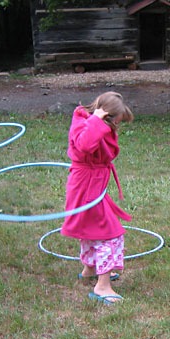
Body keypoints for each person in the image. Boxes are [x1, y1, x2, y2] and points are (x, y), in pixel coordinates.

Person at [61, 91, 134, 305]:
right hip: (85, 188)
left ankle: (90, 269)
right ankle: (102, 287)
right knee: (110, 234)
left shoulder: (96, 123)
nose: (117, 127)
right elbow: (84, 145)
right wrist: (95, 120)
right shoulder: (84, 122)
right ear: (106, 115)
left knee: (92, 228)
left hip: (93, 184)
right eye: (117, 122)